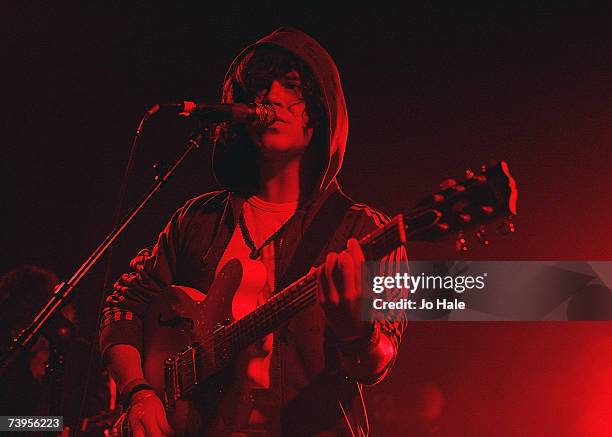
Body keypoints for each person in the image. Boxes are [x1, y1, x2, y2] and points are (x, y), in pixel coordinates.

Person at [99, 27, 406, 436]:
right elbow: (123, 306)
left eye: (292, 86)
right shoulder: (197, 220)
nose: (271, 96)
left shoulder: (364, 230)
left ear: (318, 113)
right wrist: (139, 392)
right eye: (260, 86)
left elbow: (380, 360)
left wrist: (356, 329)